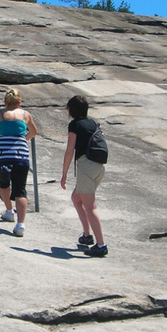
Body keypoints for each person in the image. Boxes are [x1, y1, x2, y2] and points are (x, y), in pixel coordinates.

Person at [60, 94, 108, 257]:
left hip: (86, 166)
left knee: (90, 206)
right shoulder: (93, 123)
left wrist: (64, 174)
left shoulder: (75, 125)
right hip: (98, 167)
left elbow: (69, 151)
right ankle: (87, 236)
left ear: (71, 110)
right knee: (76, 198)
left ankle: (101, 245)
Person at [0, 89, 37, 237]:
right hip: (20, 155)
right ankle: (20, 225)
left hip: (2, 154)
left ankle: (9, 211)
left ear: (5, 102)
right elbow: (34, 131)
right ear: (19, 102)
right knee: (20, 190)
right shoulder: (26, 115)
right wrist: (24, 138)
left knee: (3, 183)